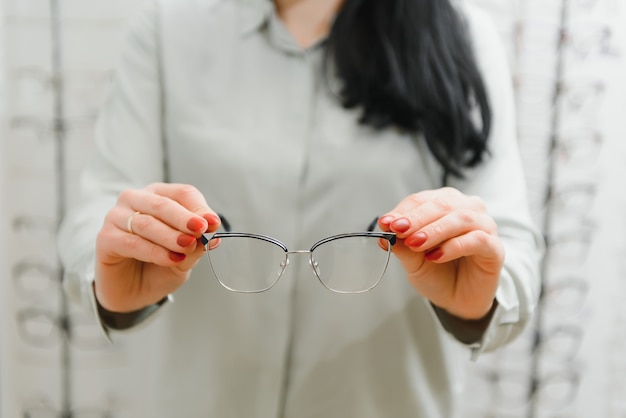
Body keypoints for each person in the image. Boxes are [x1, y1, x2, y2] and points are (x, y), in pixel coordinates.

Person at [58, 0, 543, 416]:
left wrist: (479, 298)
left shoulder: (465, 36)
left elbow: (508, 242)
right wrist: (110, 278)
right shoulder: (168, 29)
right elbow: (105, 204)